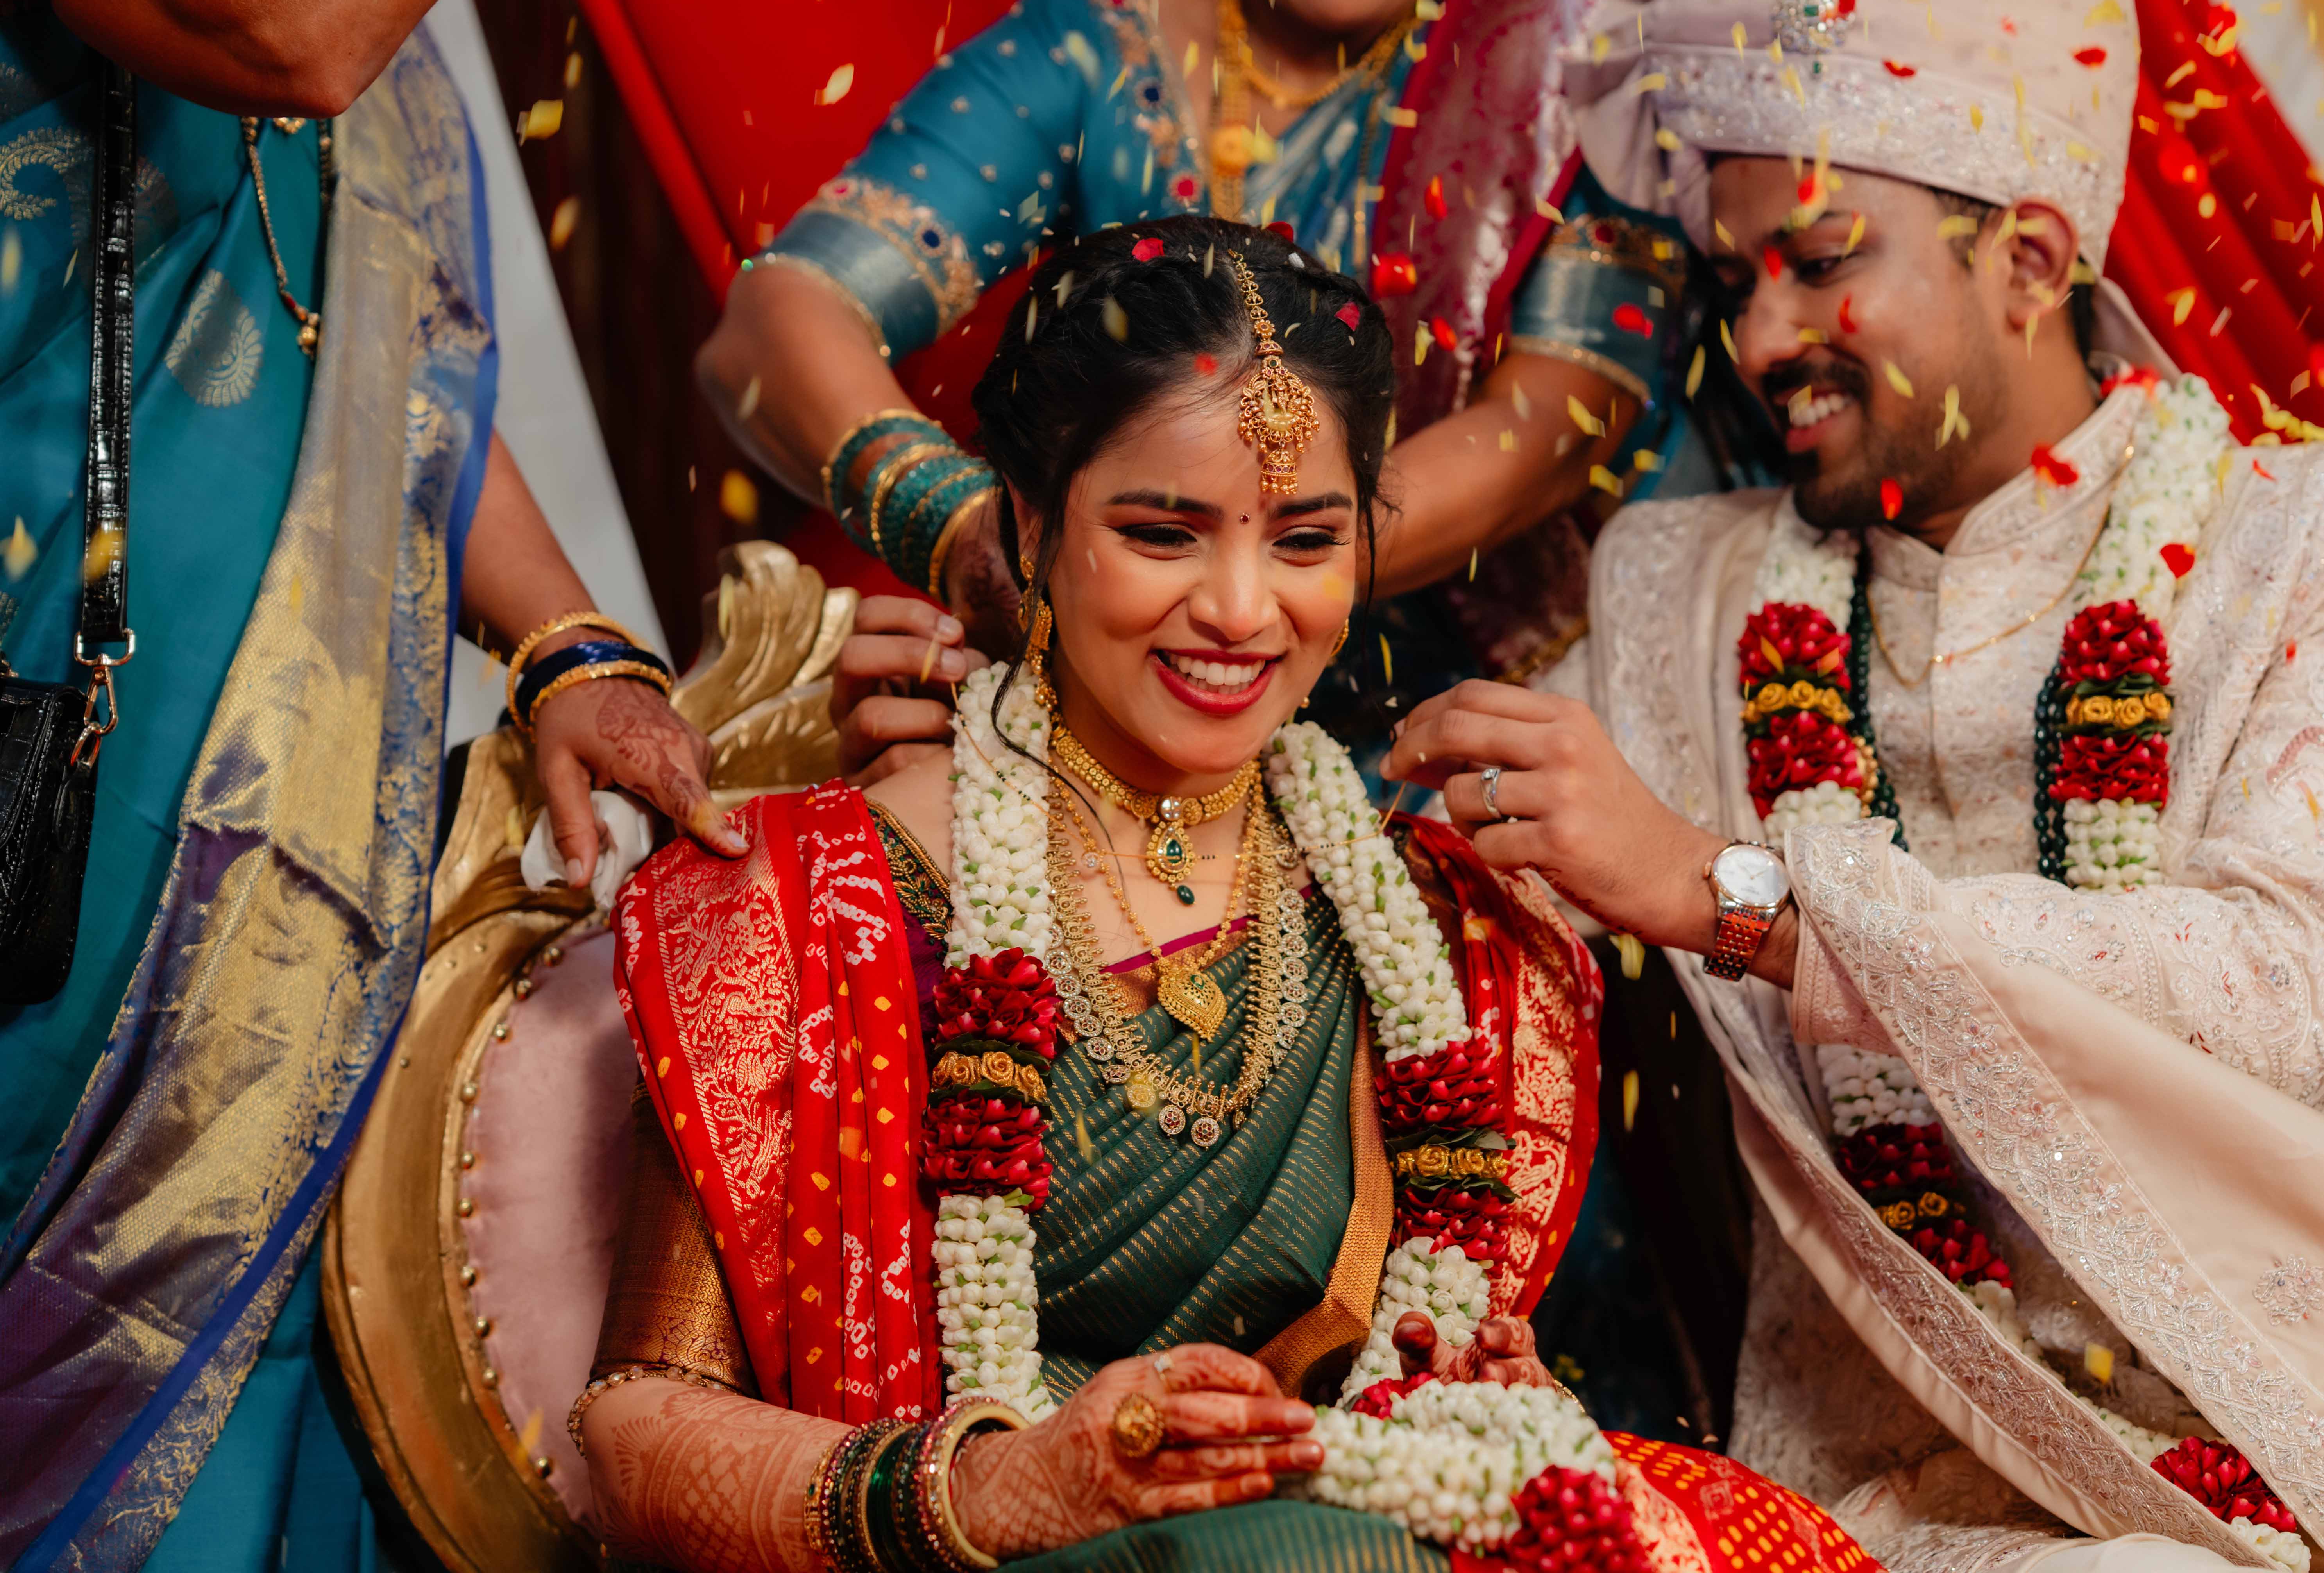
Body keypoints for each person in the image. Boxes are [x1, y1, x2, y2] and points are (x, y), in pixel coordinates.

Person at [1380, 0, 2324, 1570]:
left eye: (1820, 258)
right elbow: (1444, 912)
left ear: (2028, 259)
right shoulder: (1682, 594)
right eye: (1732, 282)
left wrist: (1742, 897)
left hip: (2319, 1430)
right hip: (1899, 1480)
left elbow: (2289, 978)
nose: (1761, 336)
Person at [592, 218, 1868, 1573]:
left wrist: (1488, 1399)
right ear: (1031, 522)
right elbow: (631, 1436)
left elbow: (1413, 1376)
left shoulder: (1444, 925)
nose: (1243, 611)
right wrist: (1004, 1488)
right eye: (1163, 533)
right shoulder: (803, 905)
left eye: (1306, 540)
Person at [0, 0, 732, 1566]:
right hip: (48, 793)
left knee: (223, 1416)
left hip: (270, 845)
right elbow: (287, 8)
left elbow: (380, 343)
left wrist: (564, 637)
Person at [697, 0, 1751, 780]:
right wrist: (967, 530)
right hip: (1163, 708)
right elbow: (772, 325)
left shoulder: (1566, 37)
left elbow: (1556, 427)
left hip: (1535, 710)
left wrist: (1226, 578)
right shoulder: (1097, 53)